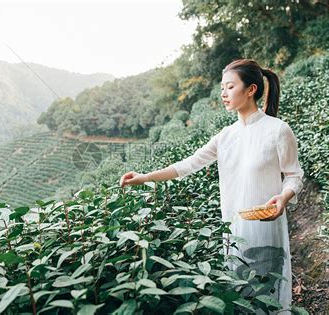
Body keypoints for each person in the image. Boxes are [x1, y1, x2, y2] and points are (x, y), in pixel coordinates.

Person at [119, 59, 304, 314]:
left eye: (230, 87)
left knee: (266, 296)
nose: (223, 94)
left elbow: (294, 175)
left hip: (266, 229)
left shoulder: (277, 130)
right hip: (235, 230)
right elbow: (188, 165)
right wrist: (145, 177)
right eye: (222, 88)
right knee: (241, 296)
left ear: (251, 90)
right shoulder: (226, 136)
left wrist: (283, 197)